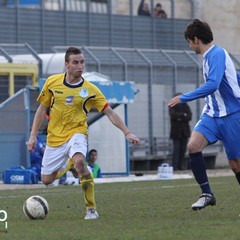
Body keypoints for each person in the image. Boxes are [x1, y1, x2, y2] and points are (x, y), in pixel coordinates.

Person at [27, 46, 140, 220]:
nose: (80, 66)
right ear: (66, 64)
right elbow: (42, 109)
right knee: (46, 180)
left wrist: (127, 132)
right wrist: (33, 135)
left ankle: (91, 209)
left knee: (80, 161)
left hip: (77, 133)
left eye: (82, 62)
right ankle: (69, 165)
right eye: (75, 62)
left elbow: (109, 112)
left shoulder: (91, 90)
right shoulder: (52, 83)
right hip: (55, 137)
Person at [168, 19, 240, 211]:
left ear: (196, 39)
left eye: (189, 42)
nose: (190, 46)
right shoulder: (210, 56)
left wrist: (184, 97)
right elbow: (231, 77)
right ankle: (207, 194)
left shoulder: (216, 54)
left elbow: (213, 84)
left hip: (232, 115)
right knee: (193, 146)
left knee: (235, 164)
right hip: (212, 114)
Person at [169, 92, 192, 170]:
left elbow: (189, 116)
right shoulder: (172, 106)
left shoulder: (185, 105)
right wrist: (183, 115)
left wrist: (180, 117)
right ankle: (174, 166)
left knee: (183, 150)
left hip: (184, 132)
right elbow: (173, 116)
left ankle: (181, 165)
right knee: (176, 149)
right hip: (176, 132)